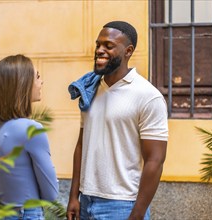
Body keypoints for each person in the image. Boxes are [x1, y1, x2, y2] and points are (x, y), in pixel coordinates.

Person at [66, 21, 168, 220]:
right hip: (86, 201)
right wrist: (73, 196)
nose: (100, 50)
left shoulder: (148, 96)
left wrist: (137, 214)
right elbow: (81, 145)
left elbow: (155, 160)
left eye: (108, 46)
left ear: (128, 51)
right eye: (98, 45)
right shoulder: (89, 90)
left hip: (123, 205)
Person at [0, 54, 59, 220]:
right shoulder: (30, 129)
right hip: (27, 214)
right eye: (37, 76)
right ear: (22, 84)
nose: (41, 82)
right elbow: (51, 193)